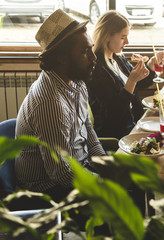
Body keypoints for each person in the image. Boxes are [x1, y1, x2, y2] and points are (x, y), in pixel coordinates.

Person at [15, 9, 106, 202]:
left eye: (91, 48)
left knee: (135, 179)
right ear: (61, 59)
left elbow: (87, 130)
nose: (94, 57)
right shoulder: (51, 103)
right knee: (121, 206)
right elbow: (61, 173)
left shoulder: (77, 82)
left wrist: (104, 163)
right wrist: (104, 185)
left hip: (78, 167)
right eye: (84, 51)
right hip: (47, 188)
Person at [87, 10, 164, 140]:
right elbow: (113, 114)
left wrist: (151, 66)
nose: (127, 42)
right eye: (123, 37)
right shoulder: (96, 69)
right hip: (119, 134)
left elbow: (139, 83)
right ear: (107, 36)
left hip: (135, 123)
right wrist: (131, 82)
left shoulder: (118, 59)